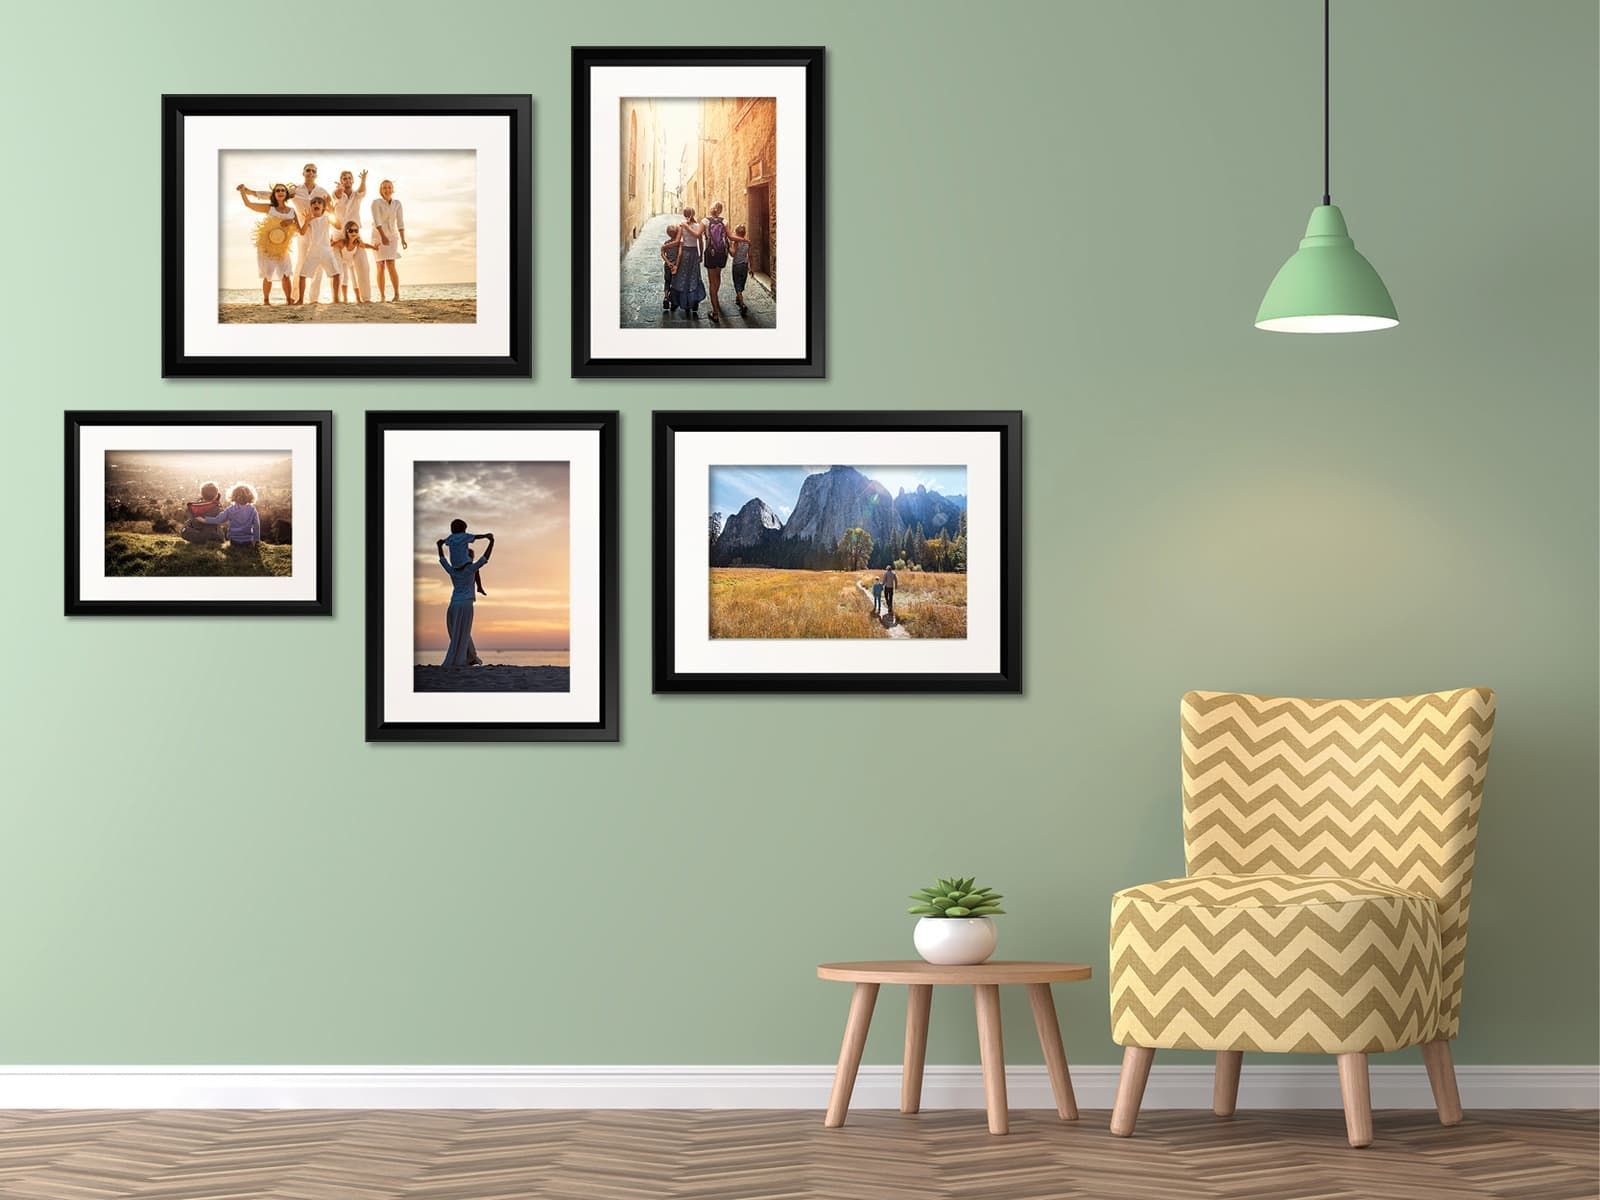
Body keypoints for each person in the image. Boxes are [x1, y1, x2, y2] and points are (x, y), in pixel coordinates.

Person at [436, 532, 494, 667]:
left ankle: (470, 657)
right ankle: (468, 658)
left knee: (457, 633)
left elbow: (442, 559)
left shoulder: (454, 570)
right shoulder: (470, 569)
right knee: (463, 633)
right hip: (465, 604)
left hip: (453, 605)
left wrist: (439, 546)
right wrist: (491, 542)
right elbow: (485, 558)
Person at [235, 183, 299, 304]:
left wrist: (291, 222)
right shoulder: (270, 208)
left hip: (282, 246)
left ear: (286, 194)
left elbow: (298, 229)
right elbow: (249, 205)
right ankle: (266, 300)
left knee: (286, 273)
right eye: (277, 191)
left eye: (283, 190)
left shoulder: (292, 211)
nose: (280, 192)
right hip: (268, 245)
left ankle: (288, 299)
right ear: (274, 194)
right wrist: (243, 191)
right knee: (268, 273)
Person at [294, 195, 342, 305]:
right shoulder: (310, 220)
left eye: (319, 203)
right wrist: (306, 221)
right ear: (311, 207)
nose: (316, 204)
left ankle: (336, 299)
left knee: (336, 275)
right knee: (302, 276)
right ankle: (300, 299)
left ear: (323, 207)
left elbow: (339, 226)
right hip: (313, 251)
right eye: (314, 203)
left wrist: (332, 212)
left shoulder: (327, 218)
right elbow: (302, 232)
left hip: (326, 251)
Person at [669, 206, 707, 319]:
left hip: (685, 253)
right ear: (693, 214)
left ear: (684, 214)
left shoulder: (682, 226)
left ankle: (679, 301)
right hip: (694, 253)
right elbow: (700, 241)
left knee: (682, 277)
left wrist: (666, 246)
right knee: (694, 277)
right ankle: (694, 303)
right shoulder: (697, 226)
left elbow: (677, 241)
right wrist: (701, 255)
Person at [198, 483, 262, 550]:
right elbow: (256, 526)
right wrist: (256, 540)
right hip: (248, 541)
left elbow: (218, 520)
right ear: (250, 496)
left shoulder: (230, 509)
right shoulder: (252, 510)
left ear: (233, 496)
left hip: (234, 541)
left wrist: (203, 519)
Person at [371, 179, 407, 300]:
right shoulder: (376, 203)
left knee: (391, 264)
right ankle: (382, 296)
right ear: (381, 190)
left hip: (392, 236)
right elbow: (377, 221)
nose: (387, 189)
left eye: (389, 187)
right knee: (380, 265)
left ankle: (397, 294)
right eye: (384, 188)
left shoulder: (397, 203)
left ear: (392, 189)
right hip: (378, 235)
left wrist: (403, 239)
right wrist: (382, 236)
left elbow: (400, 222)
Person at [443, 518, 492, 597]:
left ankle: (479, 587)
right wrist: (486, 536)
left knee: (474, 567)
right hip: (465, 565)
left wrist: (440, 543)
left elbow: (444, 542)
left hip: (455, 565)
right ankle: (479, 587)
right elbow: (476, 537)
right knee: (474, 567)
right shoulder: (464, 536)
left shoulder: (450, 538)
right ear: (463, 529)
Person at [702, 201, 731, 322]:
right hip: (721, 253)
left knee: (711, 282)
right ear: (720, 210)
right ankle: (716, 298)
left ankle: (715, 313)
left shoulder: (705, 221)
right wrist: (744, 240)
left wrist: (686, 226)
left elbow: (697, 234)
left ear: (712, 209)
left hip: (711, 253)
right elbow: (730, 236)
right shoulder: (724, 221)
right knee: (718, 276)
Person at [335, 221, 377, 303]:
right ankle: (345, 299)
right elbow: (332, 245)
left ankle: (358, 298)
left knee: (355, 279)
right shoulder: (342, 242)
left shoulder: (357, 243)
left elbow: (365, 245)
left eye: (356, 230)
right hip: (343, 262)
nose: (353, 232)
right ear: (346, 232)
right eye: (351, 231)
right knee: (345, 278)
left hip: (351, 262)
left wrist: (374, 247)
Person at [729, 223, 752, 315]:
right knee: (741, 283)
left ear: (737, 233)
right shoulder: (748, 242)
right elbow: (750, 255)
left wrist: (728, 247)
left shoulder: (736, 242)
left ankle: (742, 305)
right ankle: (738, 299)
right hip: (745, 265)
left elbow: (733, 254)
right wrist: (751, 267)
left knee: (737, 284)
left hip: (737, 266)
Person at [660, 223, 682, 313]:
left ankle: (666, 297)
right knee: (675, 283)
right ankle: (673, 301)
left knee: (667, 281)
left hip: (667, 266)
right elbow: (680, 254)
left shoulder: (666, 243)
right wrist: (676, 264)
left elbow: (662, 254)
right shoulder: (678, 244)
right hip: (675, 266)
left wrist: (668, 262)